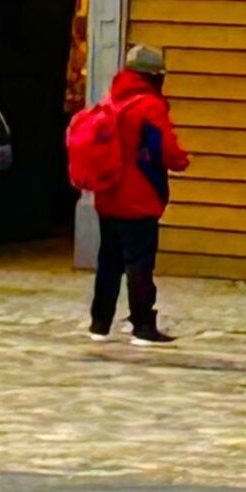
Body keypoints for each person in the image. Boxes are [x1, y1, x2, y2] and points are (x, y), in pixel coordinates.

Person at [82, 42, 189, 344]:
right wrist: (181, 160)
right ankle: (142, 325)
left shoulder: (111, 100)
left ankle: (99, 324)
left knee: (109, 261)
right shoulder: (149, 106)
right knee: (139, 262)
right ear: (154, 76)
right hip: (139, 197)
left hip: (108, 195)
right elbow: (164, 149)